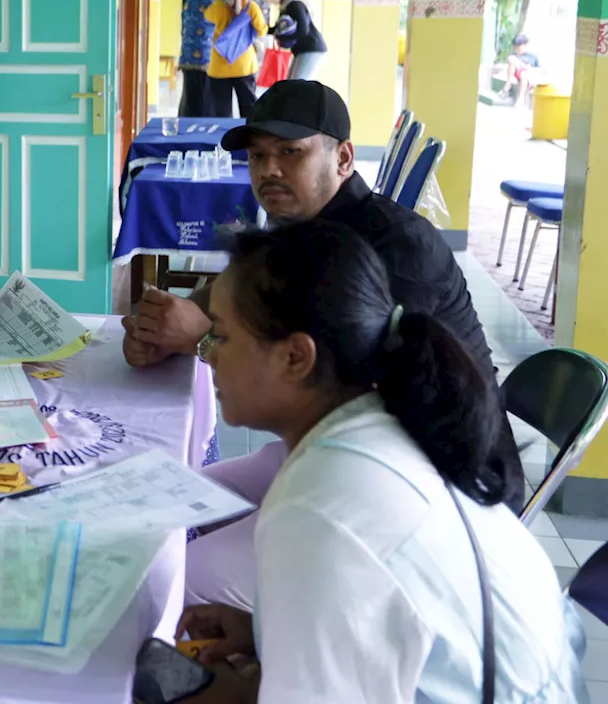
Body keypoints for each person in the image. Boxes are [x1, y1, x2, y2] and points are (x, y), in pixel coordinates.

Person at [122, 80, 525, 608]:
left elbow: (352, 381)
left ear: (343, 157)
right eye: (259, 155)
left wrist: (203, 337)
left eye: (290, 153)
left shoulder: (395, 246)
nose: (268, 171)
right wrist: (168, 324)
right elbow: (236, 296)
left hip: (427, 476)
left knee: (181, 576)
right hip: (341, 444)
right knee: (176, 495)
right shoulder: (300, 226)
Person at [177, 221, 587, 703]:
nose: (209, 358)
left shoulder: (318, 504)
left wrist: (222, 693)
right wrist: (263, 632)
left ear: (296, 357)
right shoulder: (389, 423)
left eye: (221, 338)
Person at [203, 0, 267, 118]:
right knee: (249, 107)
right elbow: (262, 30)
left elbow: (207, 20)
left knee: (221, 111)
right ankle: (249, 137)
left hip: (219, 63)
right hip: (244, 64)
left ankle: (224, 138)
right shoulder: (251, 7)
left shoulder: (217, 6)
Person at [178, 0, 223, 118]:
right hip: (206, 58)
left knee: (189, 98)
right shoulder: (214, 4)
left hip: (187, 56)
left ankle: (185, 128)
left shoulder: (190, 1)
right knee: (205, 100)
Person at [266, 0, 327, 80]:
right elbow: (278, 28)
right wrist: (262, 29)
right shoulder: (288, 5)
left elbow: (303, 30)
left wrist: (282, 38)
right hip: (304, 49)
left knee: (297, 85)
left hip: (312, 48)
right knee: (291, 83)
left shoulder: (295, 4)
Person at [501, 33, 543, 105]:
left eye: (518, 47)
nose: (517, 49)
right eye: (515, 47)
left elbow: (538, 69)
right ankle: (507, 86)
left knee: (524, 74)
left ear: (525, 45)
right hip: (519, 73)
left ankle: (521, 99)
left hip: (528, 76)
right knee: (511, 59)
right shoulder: (515, 55)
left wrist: (527, 68)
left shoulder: (532, 56)